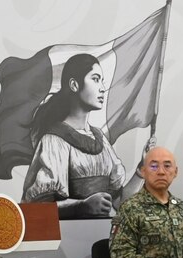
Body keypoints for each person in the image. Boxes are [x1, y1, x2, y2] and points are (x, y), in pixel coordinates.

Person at [22, 53, 128, 219]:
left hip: (102, 235)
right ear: (74, 85)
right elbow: (38, 207)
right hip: (69, 239)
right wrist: (82, 206)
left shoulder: (99, 138)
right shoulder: (54, 140)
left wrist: (141, 171)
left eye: (102, 80)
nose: (102, 87)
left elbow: (120, 201)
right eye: (95, 79)